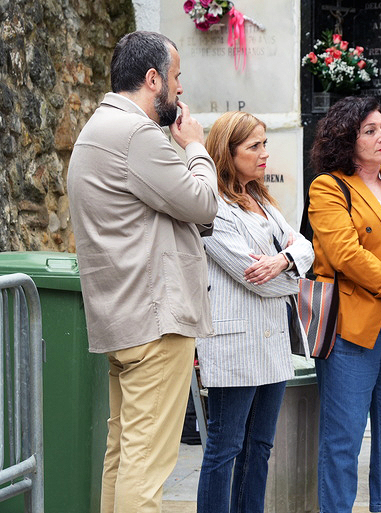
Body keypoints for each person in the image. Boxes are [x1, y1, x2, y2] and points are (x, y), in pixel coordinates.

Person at [67, 31, 218, 513]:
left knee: (124, 456)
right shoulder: (136, 134)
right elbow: (203, 203)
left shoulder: (96, 128)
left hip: (122, 318)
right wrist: (196, 147)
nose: (180, 89)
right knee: (146, 466)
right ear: (153, 79)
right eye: (176, 77)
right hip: (156, 323)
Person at [196, 112, 315, 512]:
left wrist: (284, 261)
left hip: (271, 339)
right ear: (227, 153)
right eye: (254, 146)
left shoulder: (262, 199)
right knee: (225, 447)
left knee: (260, 446)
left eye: (265, 144)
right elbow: (253, 277)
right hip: (236, 343)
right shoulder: (212, 206)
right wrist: (293, 274)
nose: (265, 153)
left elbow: (305, 248)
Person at [307, 96, 381, 513]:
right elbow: (345, 253)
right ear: (346, 138)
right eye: (370, 131)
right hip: (352, 326)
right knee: (344, 439)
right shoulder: (328, 186)